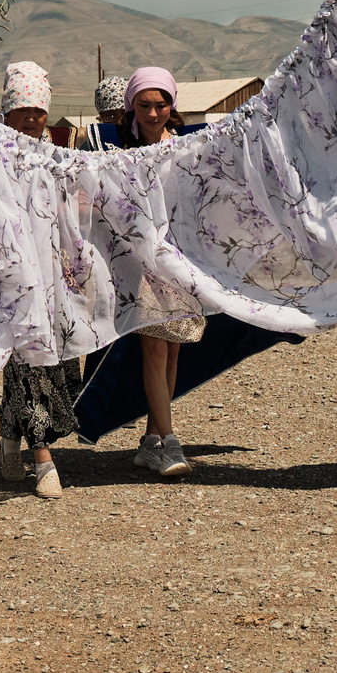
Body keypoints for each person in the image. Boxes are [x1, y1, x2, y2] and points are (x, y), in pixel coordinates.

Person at [0, 61, 77, 497]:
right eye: (22, 110)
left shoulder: (58, 157)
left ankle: (9, 442)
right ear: (6, 111)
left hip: (56, 277)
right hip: (10, 276)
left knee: (54, 363)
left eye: (37, 110)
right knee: (30, 361)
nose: (30, 118)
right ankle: (43, 460)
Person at [123, 66, 198, 478]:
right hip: (137, 264)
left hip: (181, 261)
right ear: (131, 105)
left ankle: (151, 441)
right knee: (154, 348)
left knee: (171, 350)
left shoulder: (187, 149)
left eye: (161, 104)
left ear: (172, 104)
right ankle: (170, 443)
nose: (153, 113)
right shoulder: (117, 151)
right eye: (144, 105)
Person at [77, 76, 128, 152]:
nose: (119, 121)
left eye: (124, 113)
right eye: (111, 116)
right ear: (101, 117)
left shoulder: (144, 140)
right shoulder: (91, 147)